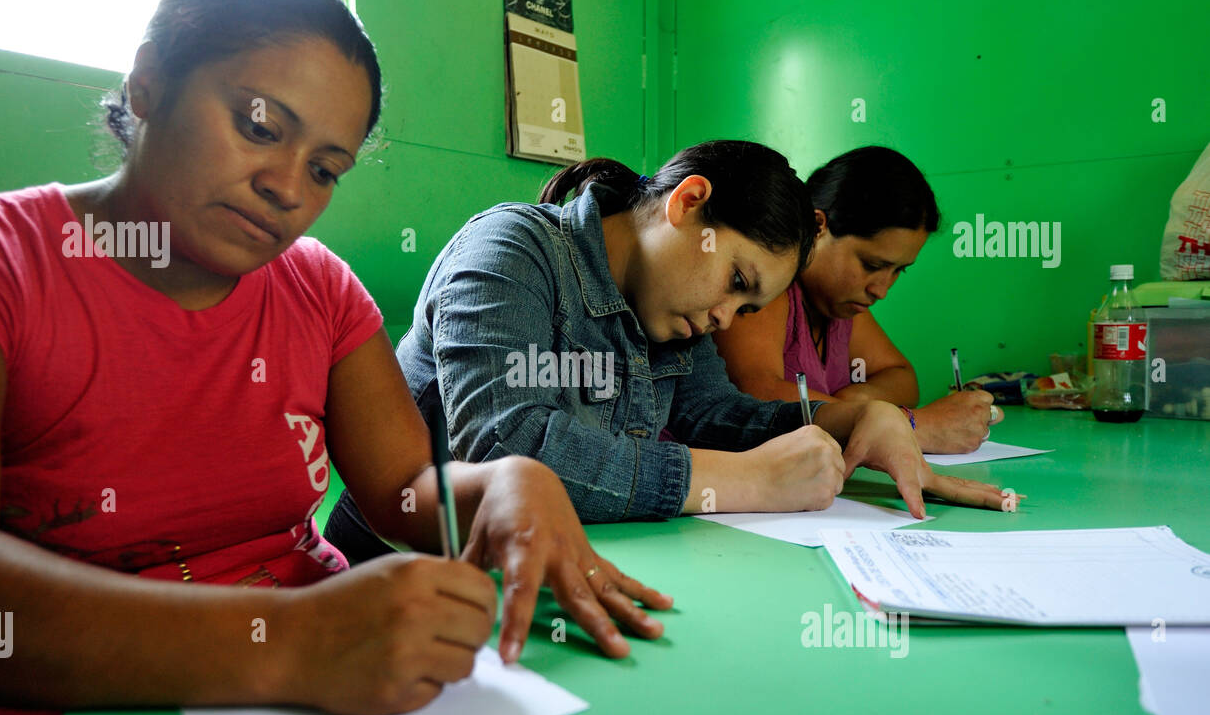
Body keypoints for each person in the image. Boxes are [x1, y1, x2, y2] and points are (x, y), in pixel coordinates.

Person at [0, 0, 668, 715]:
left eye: (325, 169)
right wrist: (289, 644)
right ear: (148, 84)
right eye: (260, 127)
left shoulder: (320, 289)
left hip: (319, 712)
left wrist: (498, 485)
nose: (284, 188)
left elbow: (404, 493)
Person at [325, 142, 1014, 562]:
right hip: (396, 566)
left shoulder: (673, 318)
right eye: (736, 282)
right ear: (688, 204)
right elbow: (504, 443)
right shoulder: (512, 249)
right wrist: (744, 482)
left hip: (546, 568)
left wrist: (844, 422)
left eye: (746, 310)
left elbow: (717, 412)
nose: (723, 317)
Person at [713, 146, 1002, 453]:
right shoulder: (764, 291)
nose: (881, 290)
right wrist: (909, 424)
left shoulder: (839, 306)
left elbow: (903, 379)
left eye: (898, 271)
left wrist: (858, 400)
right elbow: (759, 393)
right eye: (872, 266)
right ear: (818, 226)